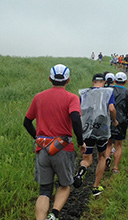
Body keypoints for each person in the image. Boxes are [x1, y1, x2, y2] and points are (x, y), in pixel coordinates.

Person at [23, 64, 86, 220]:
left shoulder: (38, 97)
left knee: (44, 190)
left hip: (43, 149)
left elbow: (27, 122)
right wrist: (80, 141)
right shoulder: (72, 98)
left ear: (50, 78)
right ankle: (54, 214)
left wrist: (38, 139)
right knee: (65, 185)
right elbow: (75, 119)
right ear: (68, 80)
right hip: (63, 148)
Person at [74, 73, 118, 196]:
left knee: (86, 159)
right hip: (102, 129)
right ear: (104, 82)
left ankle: (82, 170)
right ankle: (96, 187)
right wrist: (114, 121)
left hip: (87, 129)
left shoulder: (84, 93)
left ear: (93, 82)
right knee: (102, 156)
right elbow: (111, 108)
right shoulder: (108, 92)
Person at [105, 72, 128, 174]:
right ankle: (115, 168)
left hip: (108, 119)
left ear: (115, 80)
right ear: (125, 81)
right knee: (118, 145)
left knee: (108, 143)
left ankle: (107, 159)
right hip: (122, 121)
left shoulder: (109, 90)